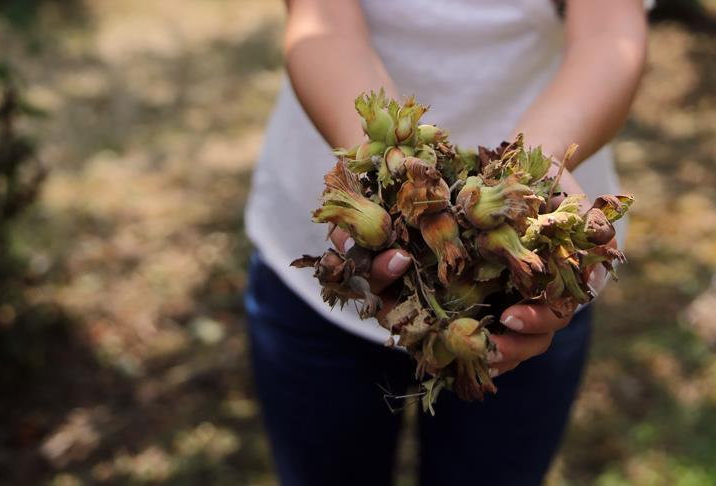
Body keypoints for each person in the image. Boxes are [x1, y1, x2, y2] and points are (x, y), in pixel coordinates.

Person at [244, 0, 649, 484]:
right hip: (317, 289)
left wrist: (534, 172)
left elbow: (609, 34)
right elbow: (322, 22)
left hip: (520, 296)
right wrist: (385, 174)